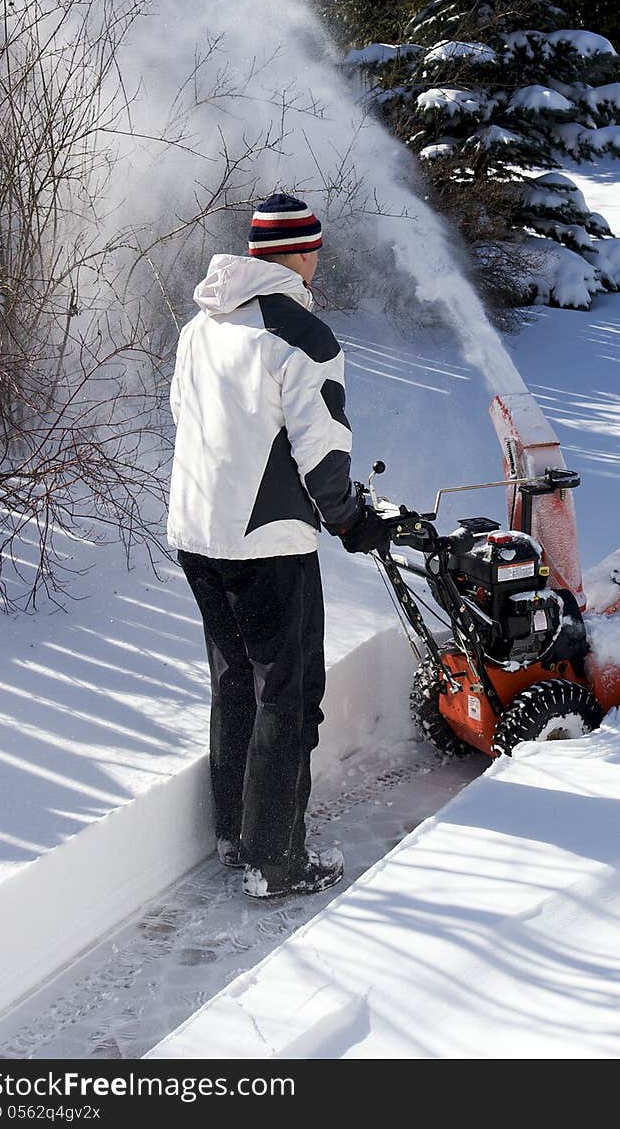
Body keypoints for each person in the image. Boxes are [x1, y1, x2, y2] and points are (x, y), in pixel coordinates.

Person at [167, 193, 389, 899]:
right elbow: (322, 449)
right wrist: (350, 517)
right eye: (314, 248)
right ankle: (275, 860)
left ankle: (236, 834)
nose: (318, 260)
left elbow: (182, 411)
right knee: (287, 695)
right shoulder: (303, 334)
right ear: (297, 253)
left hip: (198, 537)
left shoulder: (202, 322)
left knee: (237, 681)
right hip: (266, 543)